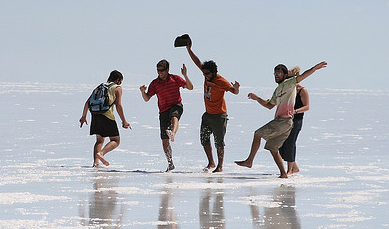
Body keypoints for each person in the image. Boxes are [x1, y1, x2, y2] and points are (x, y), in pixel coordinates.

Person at [235, 61, 327, 178]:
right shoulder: (277, 90)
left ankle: (249, 161)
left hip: (284, 121)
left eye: (279, 73)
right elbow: (269, 105)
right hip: (284, 122)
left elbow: (304, 75)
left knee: (258, 134)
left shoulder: (290, 83)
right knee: (273, 148)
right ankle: (284, 173)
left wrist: (315, 68)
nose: (276, 75)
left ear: (285, 75)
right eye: (275, 73)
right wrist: (257, 98)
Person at [185, 42, 240, 172]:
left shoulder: (221, 81)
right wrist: (189, 49)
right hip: (207, 114)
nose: (205, 76)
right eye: (204, 74)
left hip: (219, 115)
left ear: (214, 72)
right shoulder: (206, 74)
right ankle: (211, 163)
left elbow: (234, 91)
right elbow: (197, 62)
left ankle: (220, 166)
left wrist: (237, 88)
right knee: (204, 138)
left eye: (207, 74)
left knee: (219, 142)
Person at [140, 60, 194, 172]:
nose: (160, 73)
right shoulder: (155, 83)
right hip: (163, 110)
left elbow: (190, 87)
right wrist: (142, 91)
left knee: (174, 117)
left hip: (176, 105)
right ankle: (170, 164)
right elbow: (147, 98)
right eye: (158, 70)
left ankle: (173, 133)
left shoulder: (175, 78)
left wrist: (185, 75)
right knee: (164, 140)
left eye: (162, 70)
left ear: (167, 70)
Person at [80, 70, 131, 167]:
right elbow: (118, 106)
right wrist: (124, 121)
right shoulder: (117, 88)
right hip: (107, 115)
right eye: (120, 82)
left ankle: (96, 163)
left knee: (99, 140)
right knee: (115, 140)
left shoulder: (99, 87)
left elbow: (87, 102)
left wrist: (84, 116)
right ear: (118, 80)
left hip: (95, 114)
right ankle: (101, 153)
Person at [279, 66, 310, 175]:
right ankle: (294, 167)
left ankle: (290, 170)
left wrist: (295, 111)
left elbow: (307, 107)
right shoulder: (287, 90)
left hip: (296, 120)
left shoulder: (302, 90)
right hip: (285, 120)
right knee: (280, 144)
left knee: (290, 143)